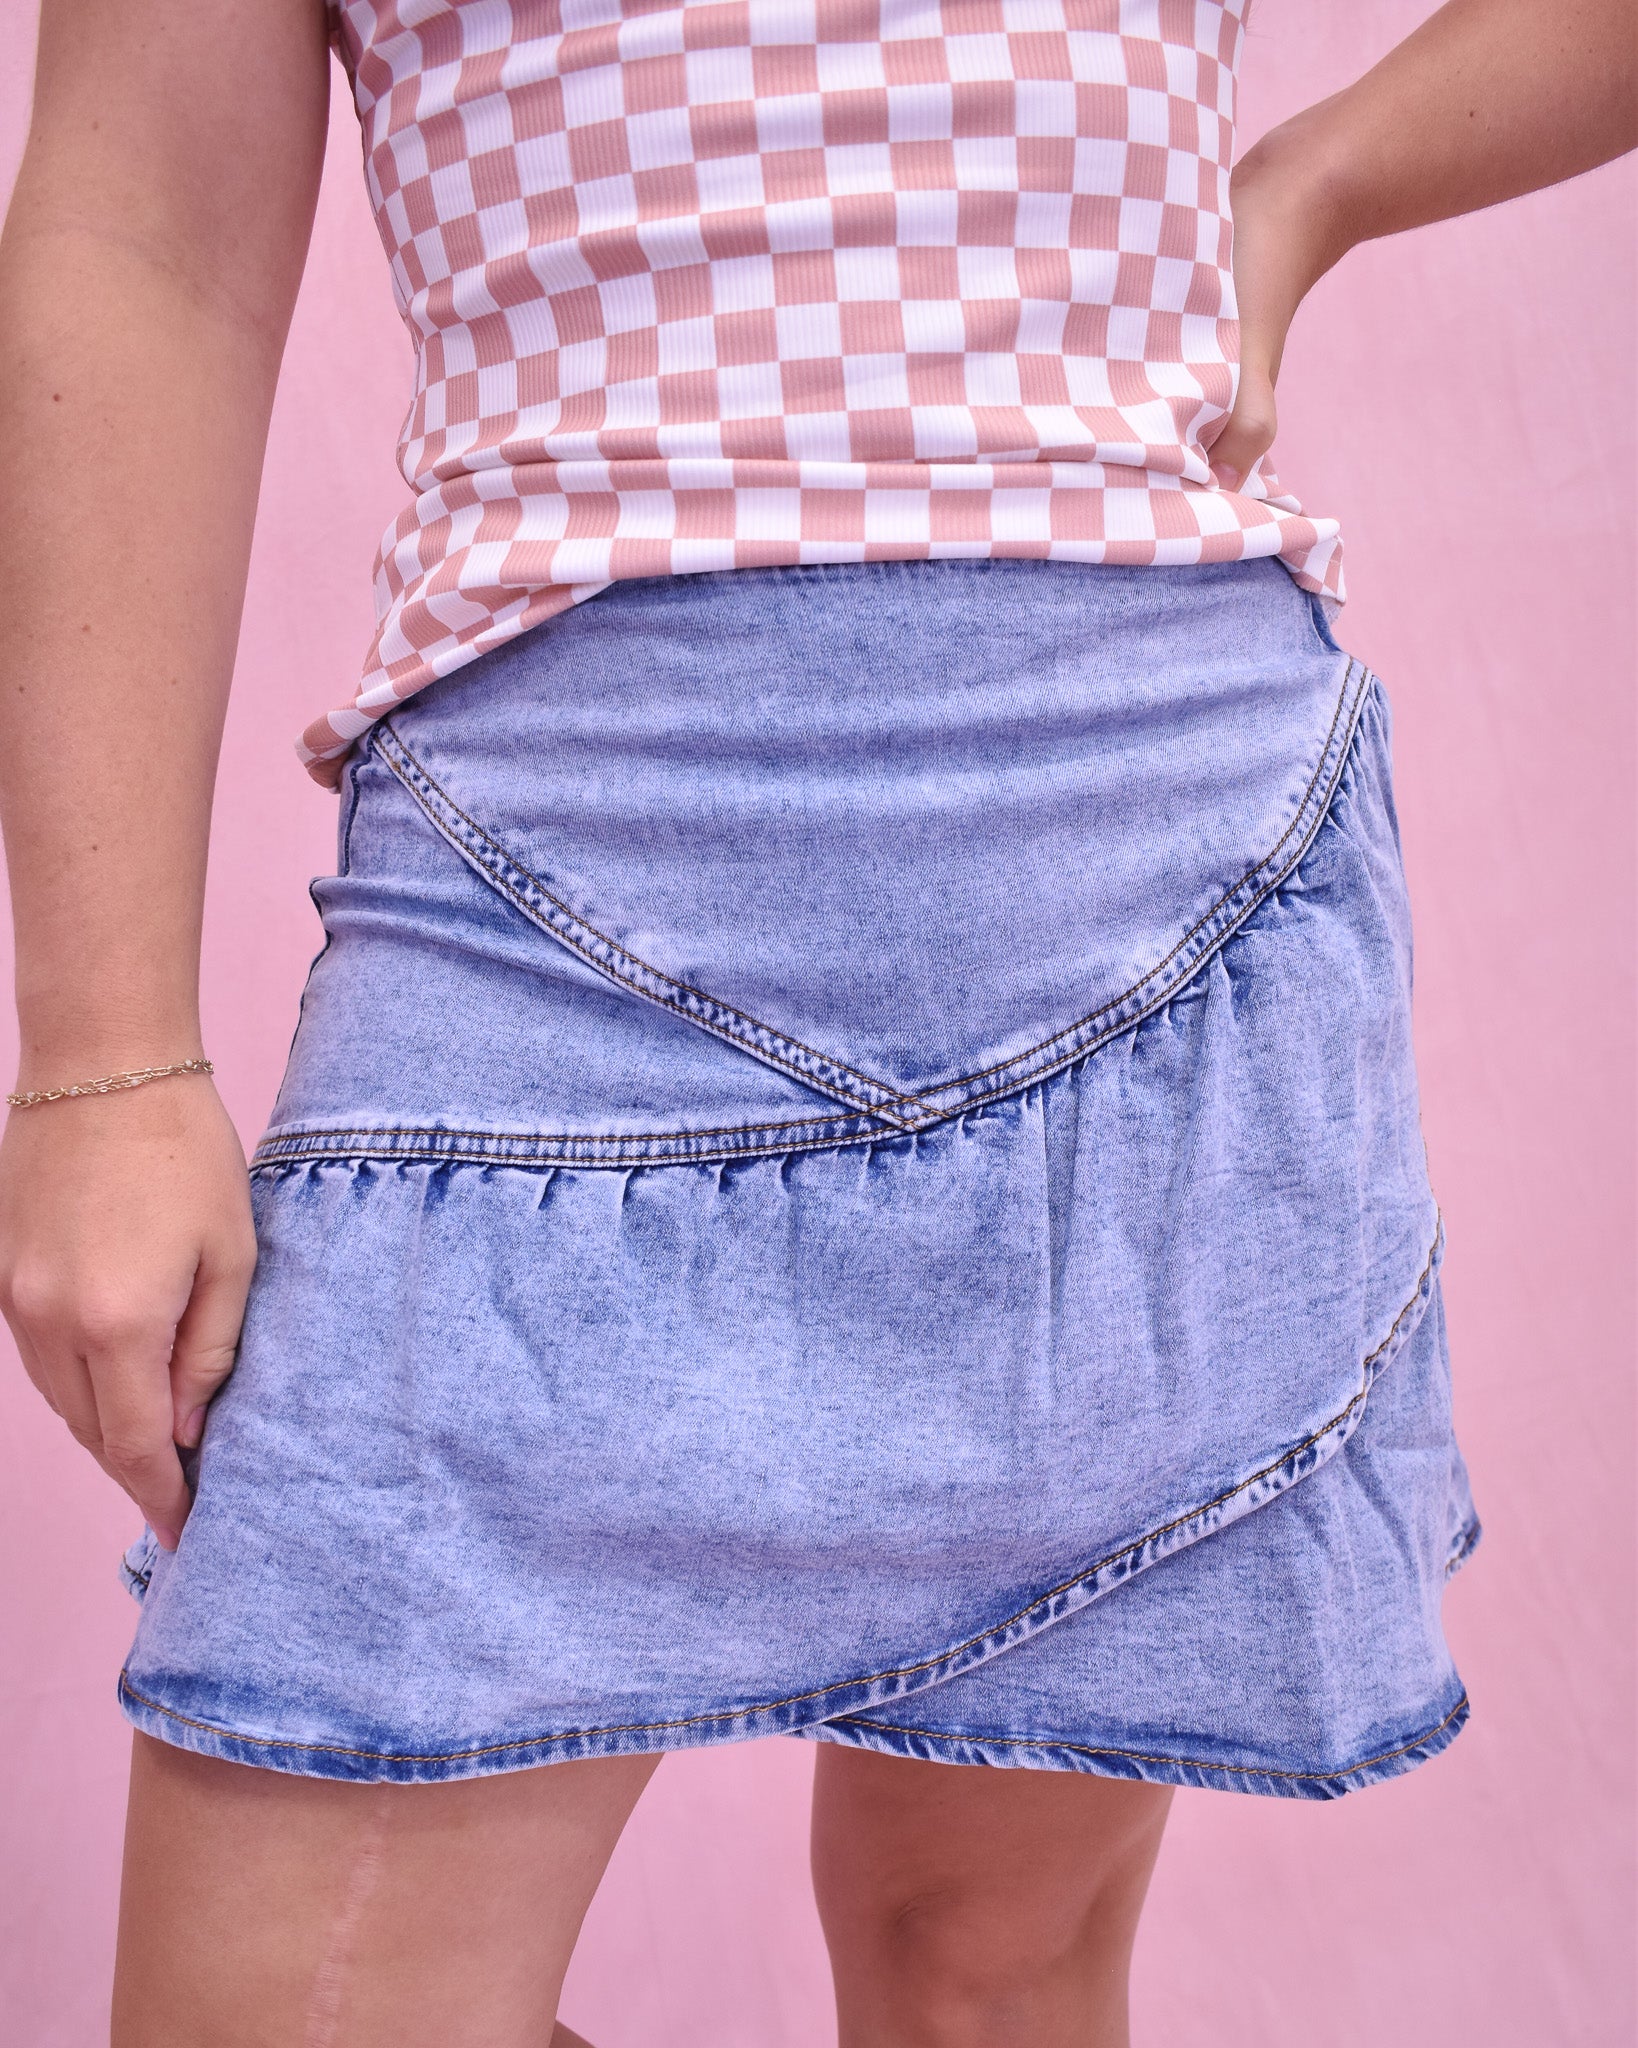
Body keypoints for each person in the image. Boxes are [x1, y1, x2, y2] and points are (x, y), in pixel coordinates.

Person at [0, 1, 1630, 2042]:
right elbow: (146, 224)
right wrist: (99, 1049)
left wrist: (1314, 179)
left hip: (1157, 911)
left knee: (989, 1970)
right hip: (542, 924)